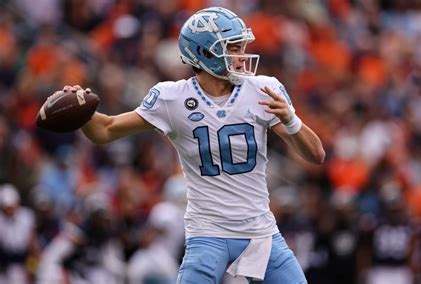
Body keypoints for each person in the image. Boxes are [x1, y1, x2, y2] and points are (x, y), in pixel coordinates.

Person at [68, 6, 325, 283]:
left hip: (259, 232)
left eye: (241, 47)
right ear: (205, 53)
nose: (241, 57)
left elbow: (316, 155)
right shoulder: (172, 98)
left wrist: (291, 120)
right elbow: (105, 130)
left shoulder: (263, 89)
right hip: (208, 232)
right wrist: (81, 111)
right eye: (233, 48)